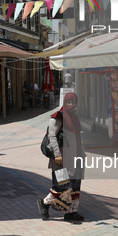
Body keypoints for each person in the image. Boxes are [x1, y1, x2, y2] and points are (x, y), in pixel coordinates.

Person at [37, 92, 85, 221]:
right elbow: (52, 135)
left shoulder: (74, 117)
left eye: (73, 102)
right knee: (61, 185)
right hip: (61, 159)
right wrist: (57, 154)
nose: (71, 104)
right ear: (64, 102)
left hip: (75, 158)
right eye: (68, 102)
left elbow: (78, 137)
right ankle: (45, 203)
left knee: (75, 186)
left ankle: (71, 212)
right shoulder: (58, 116)